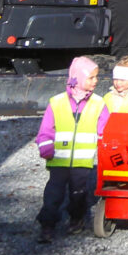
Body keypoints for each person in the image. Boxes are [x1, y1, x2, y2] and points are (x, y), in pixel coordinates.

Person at [33, 56, 111, 243]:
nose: (96, 81)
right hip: (58, 160)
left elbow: (104, 131)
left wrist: (106, 150)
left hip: (82, 162)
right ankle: (47, 225)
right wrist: (46, 148)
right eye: (91, 77)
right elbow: (45, 130)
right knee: (53, 195)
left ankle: (76, 219)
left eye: (96, 77)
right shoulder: (57, 102)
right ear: (77, 77)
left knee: (78, 194)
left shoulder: (99, 104)